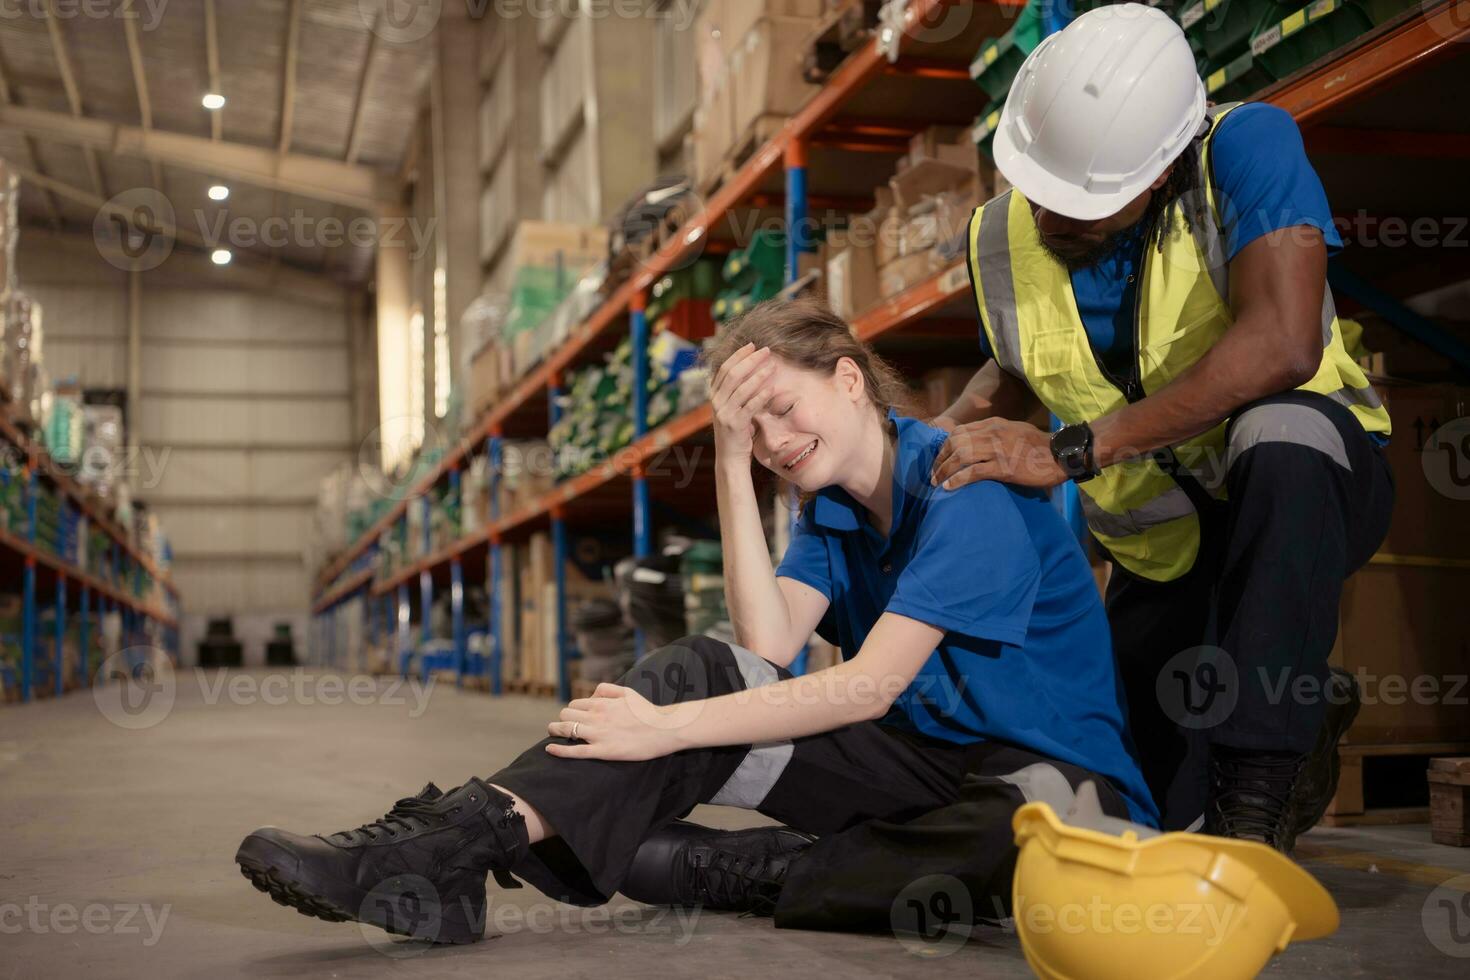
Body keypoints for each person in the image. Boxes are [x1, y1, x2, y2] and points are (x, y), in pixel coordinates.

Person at [235, 298, 1156, 944]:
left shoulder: (964, 491)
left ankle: (745, 872)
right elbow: (763, 650)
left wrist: (660, 732)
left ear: (848, 380)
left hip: (1047, 780)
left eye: (783, 413)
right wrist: (727, 457)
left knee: (1020, 848)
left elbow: (866, 682)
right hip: (914, 760)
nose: (778, 444)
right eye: (757, 433)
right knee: (694, 668)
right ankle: (449, 851)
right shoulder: (832, 508)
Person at [929, 4, 1393, 848]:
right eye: (1039, 194)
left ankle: (1255, 805)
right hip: (1166, 554)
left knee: (1280, 435)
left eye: (1079, 204)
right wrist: (921, 444)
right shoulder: (1002, 234)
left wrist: (1072, 450)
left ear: (1162, 170)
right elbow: (1018, 371)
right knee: (1129, 812)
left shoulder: (1246, 151)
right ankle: (1303, 711)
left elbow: (1283, 343)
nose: (1046, 221)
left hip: (1309, 489)